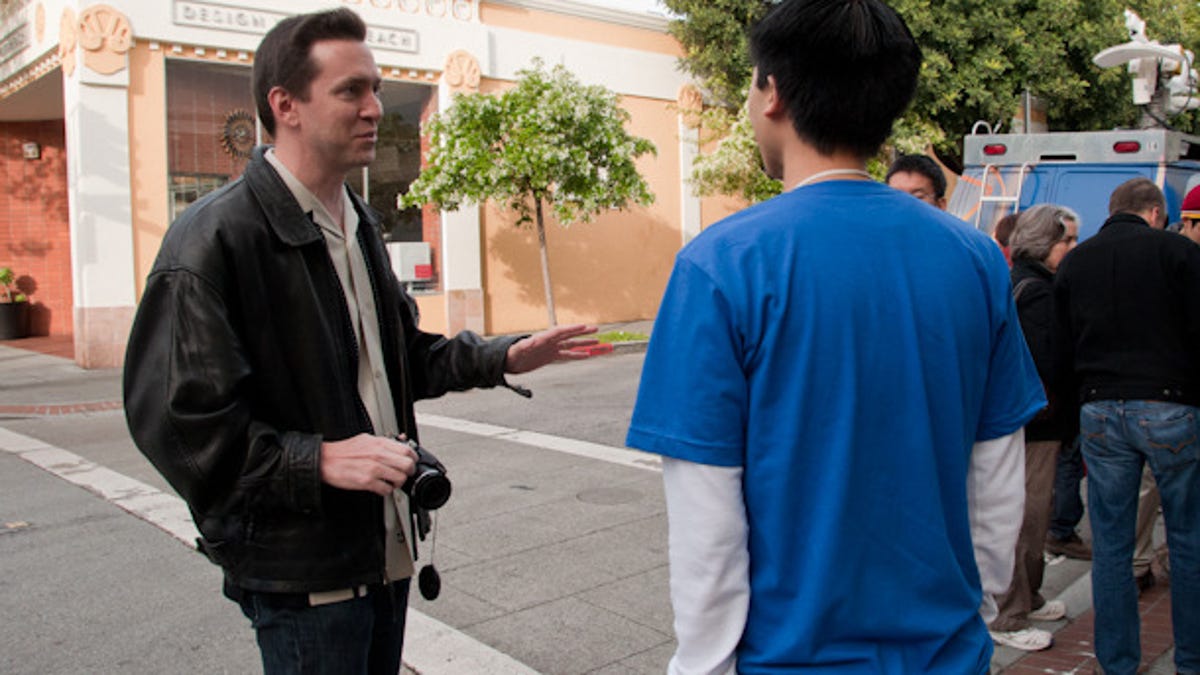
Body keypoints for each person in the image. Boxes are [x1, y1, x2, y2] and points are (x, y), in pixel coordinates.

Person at [122, 9, 596, 674]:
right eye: (352, 91)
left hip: (385, 552)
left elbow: (402, 356)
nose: (376, 108)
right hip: (305, 579)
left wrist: (504, 355)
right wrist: (314, 460)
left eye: (375, 87)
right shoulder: (215, 238)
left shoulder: (358, 222)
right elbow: (178, 426)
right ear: (284, 105)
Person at [626, 1, 1045, 672]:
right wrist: (982, 606)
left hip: (789, 658)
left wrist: (702, 662)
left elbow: (706, 509)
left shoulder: (720, 265)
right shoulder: (974, 260)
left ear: (774, 93)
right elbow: (997, 470)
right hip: (948, 650)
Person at [1054, 176, 1200, 675]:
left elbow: (1062, 343)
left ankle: (1117, 662)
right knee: (1187, 539)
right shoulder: (1177, 253)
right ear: (1155, 213)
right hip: (1170, 403)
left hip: (1098, 408)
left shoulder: (1076, 260)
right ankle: (1191, 660)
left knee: (1112, 547)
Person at [987, 204, 1079, 652]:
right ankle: (1009, 614)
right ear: (1046, 243)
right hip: (1036, 423)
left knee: (1030, 518)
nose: (1073, 248)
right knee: (1027, 519)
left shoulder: (1019, 281)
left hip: (1027, 420)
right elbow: (1049, 362)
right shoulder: (1038, 291)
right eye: (1068, 240)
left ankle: (1030, 596)